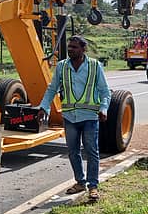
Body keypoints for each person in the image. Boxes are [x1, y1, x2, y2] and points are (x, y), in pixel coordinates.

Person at [38, 36, 111, 200]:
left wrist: (104, 109)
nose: (70, 49)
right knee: (73, 152)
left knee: (92, 152)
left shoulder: (94, 66)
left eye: (74, 47)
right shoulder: (62, 66)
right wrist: (44, 107)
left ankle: (93, 186)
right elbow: (52, 88)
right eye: (69, 47)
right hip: (70, 117)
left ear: (83, 49)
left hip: (90, 117)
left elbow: (105, 91)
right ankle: (80, 182)